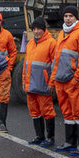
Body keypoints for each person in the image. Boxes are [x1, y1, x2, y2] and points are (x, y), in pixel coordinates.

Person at [50, 5, 79, 155]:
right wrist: (53, 79)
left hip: (72, 81)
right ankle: (70, 142)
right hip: (61, 81)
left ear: (76, 18)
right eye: (66, 16)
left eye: (70, 16)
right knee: (67, 113)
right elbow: (57, 59)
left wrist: (76, 78)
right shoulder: (62, 33)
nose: (68, 19)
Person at [23, 17, 57, 147]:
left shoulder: (51, 43)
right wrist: (24, 82)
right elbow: (26, 65)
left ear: (44, 29)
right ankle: (39, 136)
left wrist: (51, 83)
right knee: (34, 111)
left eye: (39, 29)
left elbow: (55, 65)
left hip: (43, 85)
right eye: (34, 29)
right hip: (31, 84)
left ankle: (50, 138)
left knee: (47, 111)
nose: (36, 31)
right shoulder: (30, 43)